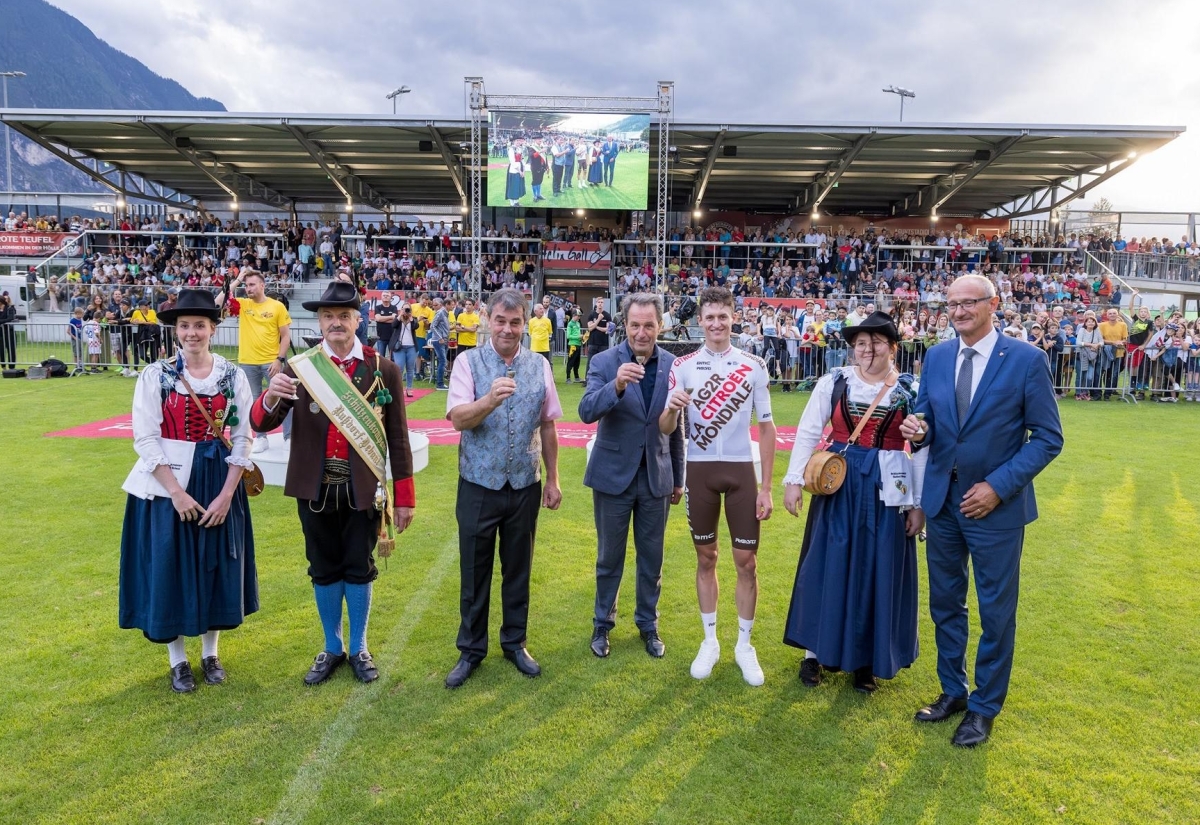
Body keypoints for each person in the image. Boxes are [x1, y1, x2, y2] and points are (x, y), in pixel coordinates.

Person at [900, 274, 1063, 747]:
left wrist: (997, 487)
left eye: (969, 302)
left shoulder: (1027, 360)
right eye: (951, 303)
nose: (959, 311)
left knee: (995, 612)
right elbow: (930, 420)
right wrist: (919, 429)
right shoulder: (937, 355)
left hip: (995, 508)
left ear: (993, 304)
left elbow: (1049, 438)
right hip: (943, 503)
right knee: (946, 604)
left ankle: (984, 708)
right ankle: (953, 690)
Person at [251, 281, 416, 686]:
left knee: (359, 567)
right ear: (320, 322)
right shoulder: (299, 368)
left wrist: (405, 497)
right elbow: (260, 422)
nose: (336, 323)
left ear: (358, 320)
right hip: (315, 487)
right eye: (328, 316)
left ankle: (358, 647)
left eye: (344, 316)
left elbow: (397, 437)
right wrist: (271, 396)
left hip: (363, 488)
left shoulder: (383, 369)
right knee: (322, 568)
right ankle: (332, 646)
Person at [118, 289, 258, 693]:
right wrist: (176, 493)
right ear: (175, 331)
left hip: (219, 480)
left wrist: (228, 494)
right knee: (172, 565)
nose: (192, 333)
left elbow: (244, 436)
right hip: (169, 484)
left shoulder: (232, 376)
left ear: (213, 329)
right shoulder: (155, 375)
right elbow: (145, 438)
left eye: (200, 325)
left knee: (216, 563)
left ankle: (210, 653)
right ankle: (177, 660)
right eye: (184, 326)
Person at [781, 311, 926, 693]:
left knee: (879, 566)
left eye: (877, 342)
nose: (868, 349)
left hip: (889, 485)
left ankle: (868, 660)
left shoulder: (911, 390)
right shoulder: (835, 382)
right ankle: (814, 653)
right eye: (861, 343)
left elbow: (924, 449)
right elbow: (809, 431)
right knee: (827, 561)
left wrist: (919, 503)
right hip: (839, 481)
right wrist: (794, 480)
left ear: (893, 348)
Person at [443, 288, 563, 689]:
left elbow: (548, 424)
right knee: (474, 572)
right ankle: (471, 650)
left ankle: (515, 642)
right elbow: (458, 419)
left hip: (525, 484)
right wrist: (489, 399)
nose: (508, 329)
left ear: (526, 323)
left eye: (516, 322)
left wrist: (555, 479)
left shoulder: (539, 365)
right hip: (478, 483)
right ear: (487, 320)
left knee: (518, 570)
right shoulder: (468, 362)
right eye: (501, 321)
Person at [659, 286, 776, 686]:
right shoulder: (684, 365)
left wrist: (767, 488)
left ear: (733, 317)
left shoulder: (754, 365)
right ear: (700, 321)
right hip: (701, 472)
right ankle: (710, 641)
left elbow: (766, 427)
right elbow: (665, 427)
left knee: (747, 563)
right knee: (706, 559)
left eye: (722, 316)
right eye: (708, 317)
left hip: (743, 471)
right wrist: (672, 411)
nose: (715, 324)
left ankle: (744, 644)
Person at [579, 294, 685, 659]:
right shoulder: (605, 361)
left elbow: (677, 427)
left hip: (657, 478)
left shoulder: (674, 364)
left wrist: (679, 477)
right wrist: (617, 386)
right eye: (635, 325)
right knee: (609, 557)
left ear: (660, 326)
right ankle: (602, 624)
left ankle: (648, 625)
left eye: (649, 325)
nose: (642, 332)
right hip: (613, 477)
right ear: (625, 325)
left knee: (651, 558)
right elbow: (586, 411)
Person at [234, 270, 293, 453]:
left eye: (252, 284)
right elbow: (217, 302)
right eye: (246, 285)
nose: (248, 288)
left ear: (262, 285)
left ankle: (289, 437)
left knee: (285, 398)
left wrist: (279, 359)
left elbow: (285, 337)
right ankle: (260, 437)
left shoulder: (277, 306)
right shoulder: (242, 305)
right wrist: (237, 279)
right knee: (254, 400)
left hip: (271, 362)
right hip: (247, 362)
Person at [427, 297, 450, 390]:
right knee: (442, 361)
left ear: (441, 305)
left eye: (435, 305)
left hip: (443, 339)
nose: (433, 306)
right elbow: (432, 326)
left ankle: (440, 382)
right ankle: (439, 383)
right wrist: (440, 337)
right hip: (439, 340)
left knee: (443, 361)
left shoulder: (444, 313)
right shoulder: (440, 313)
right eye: (433, 305)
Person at [586, 298, 612, 367]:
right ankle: (588, 378)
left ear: (603, 304)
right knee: (590, 362)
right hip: (593, 343)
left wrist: (596, 327)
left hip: (603, 344)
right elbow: (590, 328)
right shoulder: (591, 315)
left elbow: (607, 329)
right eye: (599, 302)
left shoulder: (607, 315)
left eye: (602, 302)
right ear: (596, 303)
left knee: (603, 363)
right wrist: (598, 319)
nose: (600, 304)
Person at [505, 137, 527, 206]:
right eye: (517, 140)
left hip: (520, 169)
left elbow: (522, 159)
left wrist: (524, 170)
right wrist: (520, 171)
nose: (518, 142)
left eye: (519, 141)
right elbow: (512, 162)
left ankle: (516, 202)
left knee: (518, 186)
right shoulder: (511, 149)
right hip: (514, 171)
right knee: (513, 187)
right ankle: (512, 203)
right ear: (513, 141)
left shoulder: (519, 149)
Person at [565, 308, 583, 383]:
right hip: (572, 345)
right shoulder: (570, 324)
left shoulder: (578, 323)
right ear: (574, 315)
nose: (579, 317)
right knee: (571, 361)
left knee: (577, 362)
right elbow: (568, 336)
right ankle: (568, 378)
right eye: (578, 316)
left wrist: (582, 338)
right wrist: (578, 337)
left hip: (578, 344)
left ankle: (576, 377)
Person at [0, 292, 16, 369]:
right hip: (0, 332)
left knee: (11, 349)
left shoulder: (10, 308)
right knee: (1, 350)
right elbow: (6, 319)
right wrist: (3, 320)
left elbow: (10, 318)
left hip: (9, 332)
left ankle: (11, 367)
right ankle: (3, 366)